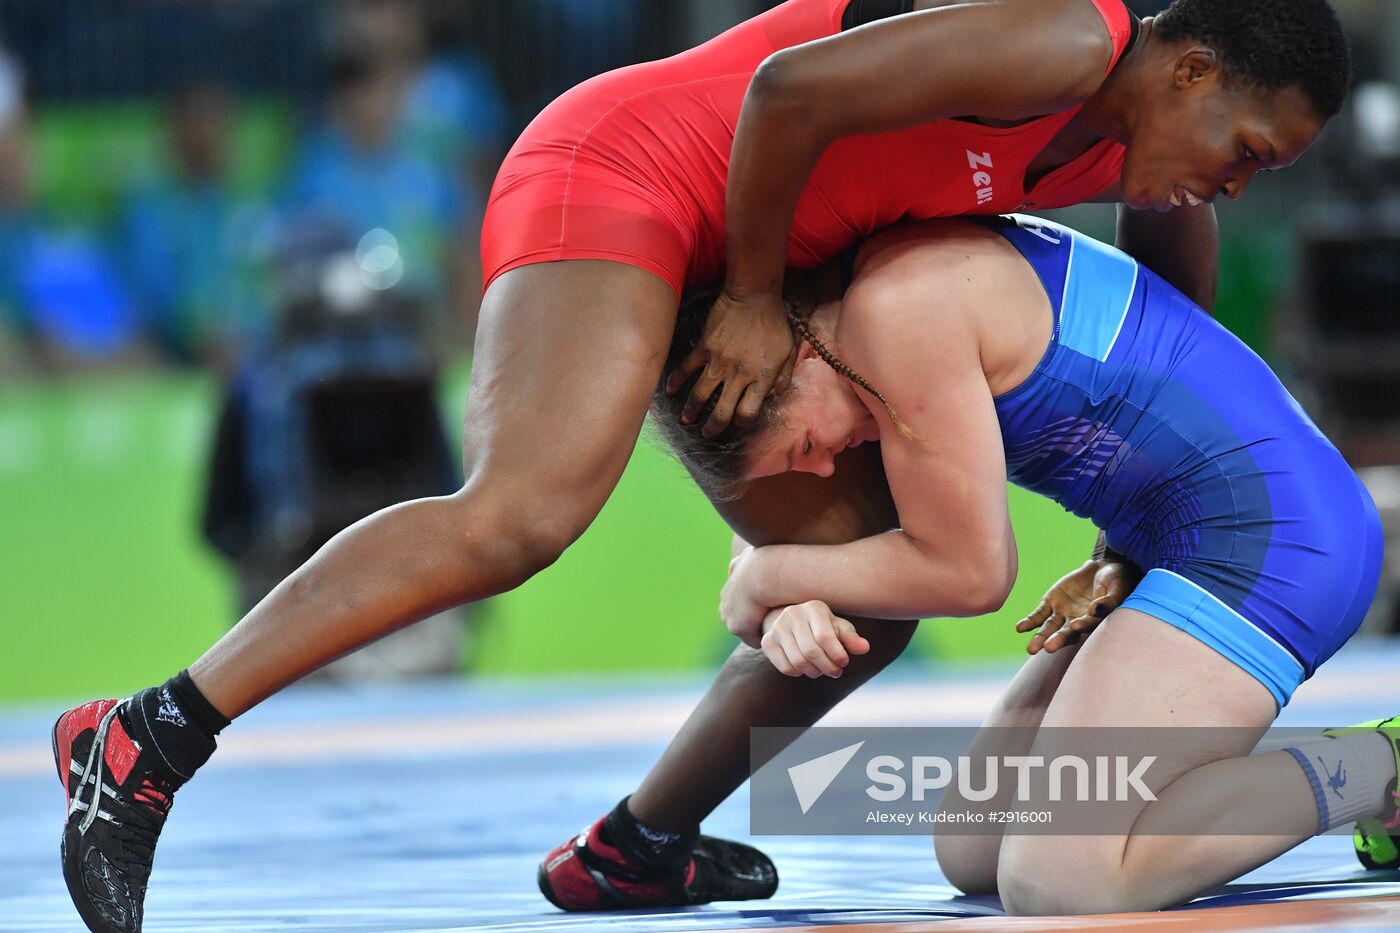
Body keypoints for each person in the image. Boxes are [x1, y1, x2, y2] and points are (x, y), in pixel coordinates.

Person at [51, 1, 1351, 929]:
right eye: (1245, 151)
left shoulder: (1146, 163)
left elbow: (1178, 288)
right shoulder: (1072, 43)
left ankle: (637, 846)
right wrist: (743, 293)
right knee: (521, 518)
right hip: (635, 175)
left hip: (760, 242)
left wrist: (1126, 538)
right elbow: (791, 92)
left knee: (867, 596)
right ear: (1186, 70)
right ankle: (148, 735)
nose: (1234, 187)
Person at [617, 214, 1385, 915]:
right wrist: (775, 578)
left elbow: (972, 575)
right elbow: (791, 522)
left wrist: (769, 579)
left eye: (805, 450)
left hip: (1273, 535)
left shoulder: (895, 314)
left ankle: (1381, 762)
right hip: (1173, 537)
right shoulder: (854, 324)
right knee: (974, 844)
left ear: (783, 363)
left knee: (1061, 880)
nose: (823, 473)